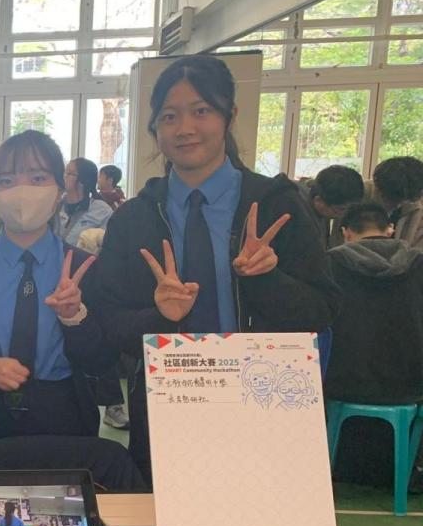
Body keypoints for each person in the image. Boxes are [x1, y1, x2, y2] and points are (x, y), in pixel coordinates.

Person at [91, 54, 339, 482]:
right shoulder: (134, 219)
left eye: (201, 111)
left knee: (263, 519)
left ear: (230, 117)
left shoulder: (276, 205)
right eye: (169, 116)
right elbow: (109, 322)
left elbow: (322, 311)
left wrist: (268, 281)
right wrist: (159, 318)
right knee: (169, 522)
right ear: (155, 129)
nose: (185, 128)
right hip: (171, 403)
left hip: (266, 400)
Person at [0, 131, 116, 456]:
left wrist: (75, 318)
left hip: (65, 417)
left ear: (60, 190)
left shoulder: (84, 266)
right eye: (6, 181)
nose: (22, 191)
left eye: (38, 178)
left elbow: (102, 361)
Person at [325, 202, 423, 405]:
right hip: (412, 383)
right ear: (390, 229)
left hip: (344, 382)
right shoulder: (418, 264)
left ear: (346, 232)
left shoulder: (330, 264)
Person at [305, 165, 364, 249]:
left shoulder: (320, 212)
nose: (344, 214)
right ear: (319, 201)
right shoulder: (301, 222)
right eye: (341, 209)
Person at [60, 158, 114, 247]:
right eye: (64, 172)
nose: (64, 176)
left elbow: (108, 245)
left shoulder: (102, 211)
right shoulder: (55, 205)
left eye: (69, 173)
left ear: (83, 181)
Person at [372, 156, 423, 249]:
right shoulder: (356, 196)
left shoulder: (417, 207)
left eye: (402, 201)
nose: (397, 205)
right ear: (377, 187)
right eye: (389, 199)